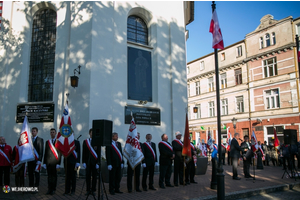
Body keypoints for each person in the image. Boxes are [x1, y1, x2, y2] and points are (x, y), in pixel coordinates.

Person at [43, 128, 62, 195]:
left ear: (56, 133)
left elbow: (59, 153)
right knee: (49, 176)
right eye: (51, 132)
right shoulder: (47, 142)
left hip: (55, 162)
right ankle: (49, 189)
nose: (52, 133)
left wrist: (58, 163)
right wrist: (44, 163)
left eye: (53, 132)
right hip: (48, 162)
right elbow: (45, 153)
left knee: (54, 176)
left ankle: (53, 189)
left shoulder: (58, 142)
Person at [82, 128, 99, 196]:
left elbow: (98, 152)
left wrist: (98, 163)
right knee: (88, 177)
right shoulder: (85, 142)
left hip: (95, 163)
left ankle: (93, 190)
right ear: (89, 133)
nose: (92, 134)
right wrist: (83, 162)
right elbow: (84, 152)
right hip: (88, 162)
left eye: (93, 132)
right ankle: (88, 190)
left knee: (94, 177)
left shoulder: (97, 142)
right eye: (91, 132)